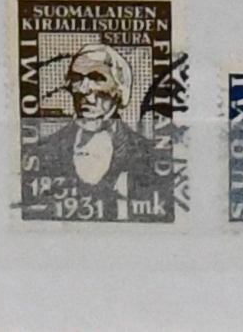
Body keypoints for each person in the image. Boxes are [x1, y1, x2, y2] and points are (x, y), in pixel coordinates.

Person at [36, 43, 159, 215]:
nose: (83, 89)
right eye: (77, 78)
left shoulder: (146, 152)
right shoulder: (47, 150)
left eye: (97, 78)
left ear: (119, 89)